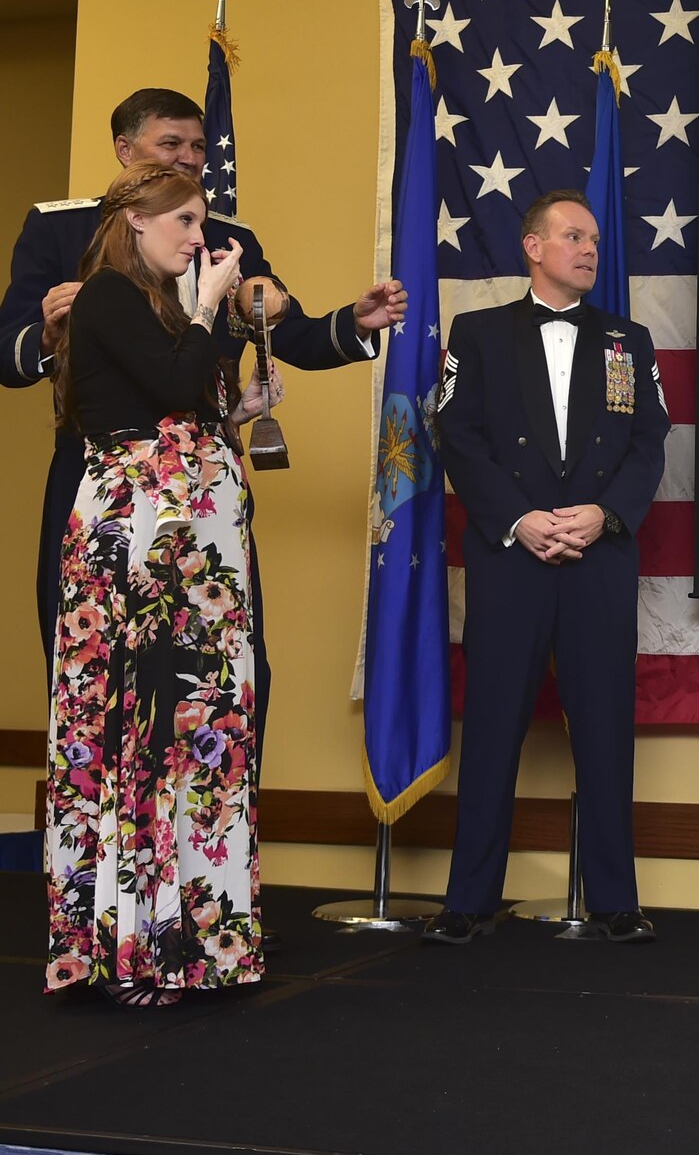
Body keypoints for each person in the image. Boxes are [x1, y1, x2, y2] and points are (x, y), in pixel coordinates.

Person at [1, 88, 407, 747]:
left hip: (205, 488)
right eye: (172, 145)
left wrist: (351, 324)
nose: (192, 159)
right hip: (98, 479)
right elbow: (8, 350)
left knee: (225, 674)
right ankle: (117, 837)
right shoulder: (61, 230)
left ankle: (205, 834)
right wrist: (49, 339)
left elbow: (286, 330)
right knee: (95, 673)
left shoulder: (227, 239)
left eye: (197, 145)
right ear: (125, 152)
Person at [45, 164, 280, 1004]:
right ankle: (134, 947)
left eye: (201, 222)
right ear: (135, 224)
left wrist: (239, 413)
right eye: (183, 221)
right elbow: (172, 386)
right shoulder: (107, 293)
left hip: (197, 534)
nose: (199, 238)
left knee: (200, 721)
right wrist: (211, 302)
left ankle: (199, 937)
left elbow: (179, 400)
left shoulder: (163, 308)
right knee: (143, 720)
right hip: (140, 533)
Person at [423, 190, 670, 947]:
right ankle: (469, 901)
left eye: (594, 239)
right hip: (512, 557)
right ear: (533, 247)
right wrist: (520, 520)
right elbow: (457, 435)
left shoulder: (628, 341)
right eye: (573, 236)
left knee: (604, 729)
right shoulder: (479, 333)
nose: (590, 249)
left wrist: (604, 516)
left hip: (598, 557)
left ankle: (615, 900)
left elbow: (646, 444)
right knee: (494, 725)